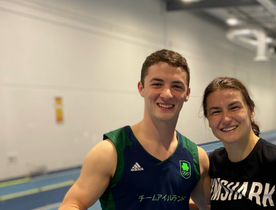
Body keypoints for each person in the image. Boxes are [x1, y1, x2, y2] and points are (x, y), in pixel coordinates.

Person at [59, 49, 210, 210]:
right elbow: (74, 203)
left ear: (187, 93)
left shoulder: (197, 158)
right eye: (157, 84)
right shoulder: (110, 152)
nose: (167, 94)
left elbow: (206, 206)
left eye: (177, 86)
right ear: (141, 88)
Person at [201, 77, 276, 210]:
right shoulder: (212, 163)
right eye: (216, 111)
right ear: (208, 119)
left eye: (234, 107)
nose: (226, 119)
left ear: (251, 110)